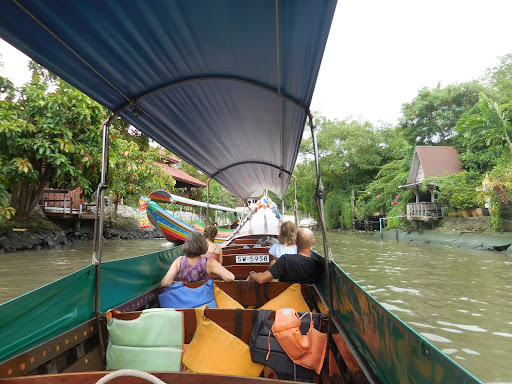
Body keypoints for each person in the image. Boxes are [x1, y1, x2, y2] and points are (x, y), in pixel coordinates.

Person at [247, 228, 323, 284]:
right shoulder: (318, 265)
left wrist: (252, 274)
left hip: (286, 299)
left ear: (295, 241)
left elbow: (261, 279)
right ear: (313, 242)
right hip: (306, 301)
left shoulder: (286, 260)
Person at [161, 231, 234, 286]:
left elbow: (165, 283)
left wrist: (177, 283)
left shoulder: (178, 261)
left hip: (184, 301)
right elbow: (230, 277)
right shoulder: (209, 262)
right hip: (204, 301)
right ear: (203, 245)